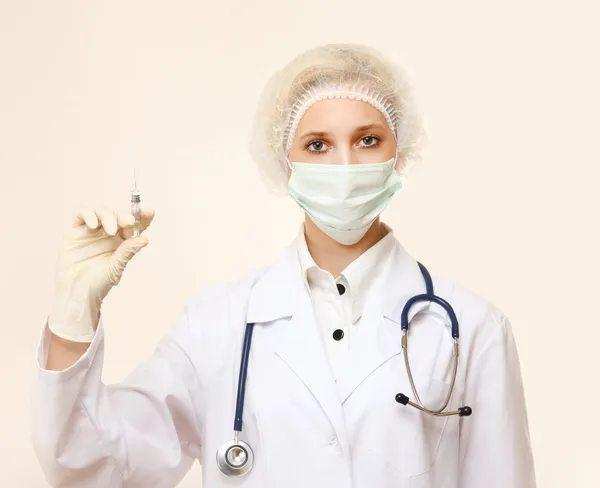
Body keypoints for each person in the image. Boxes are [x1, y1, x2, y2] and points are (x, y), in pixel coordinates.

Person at [32, 44, 536, 488]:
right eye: (317, 145)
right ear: (285, 159)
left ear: (397, 150)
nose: (343, 166)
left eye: (367, 140)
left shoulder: (472, 327)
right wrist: (74, 315)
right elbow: (93, 466)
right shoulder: (217, 324)